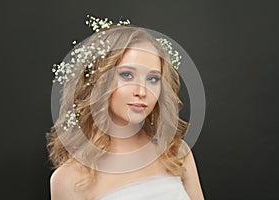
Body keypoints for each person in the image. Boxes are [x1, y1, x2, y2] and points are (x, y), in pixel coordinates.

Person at [47, 16, 205, 200]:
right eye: (127, 75)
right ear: (99, 80)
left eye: (152, 78)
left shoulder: (176, 153)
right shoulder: (69, 179)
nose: (142, 91)